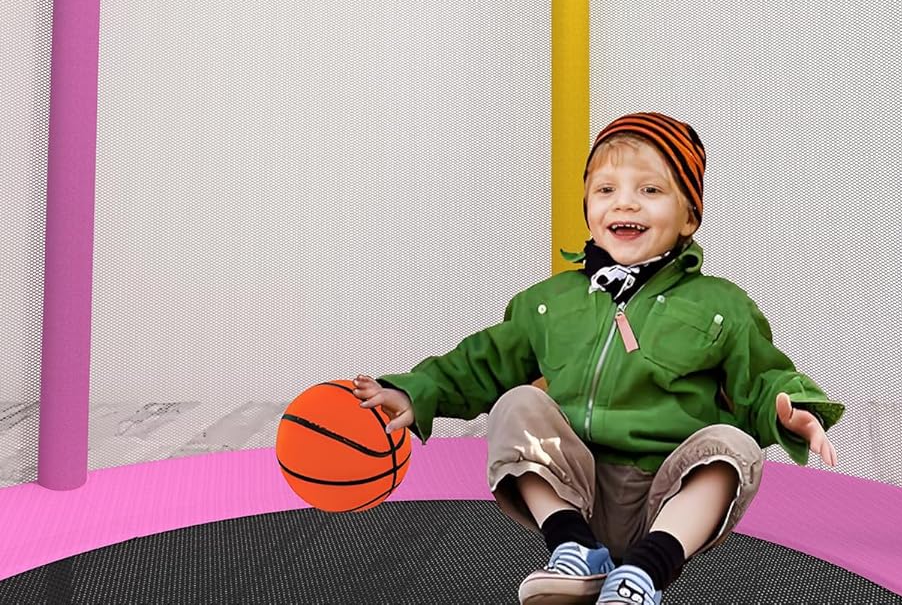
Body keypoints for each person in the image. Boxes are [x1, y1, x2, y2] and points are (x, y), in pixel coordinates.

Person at [354, 112, 842, 605]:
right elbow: (481, 364)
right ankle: (577, 549)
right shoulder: (549, 303)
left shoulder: (720, 306)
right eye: (606, 189)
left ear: (689, 217)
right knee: (516, 403)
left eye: (650, 190)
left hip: (667, 495)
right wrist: (416, 392)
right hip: (576, 485)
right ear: (587, 207)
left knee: (735, 446)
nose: (625, 202)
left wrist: (792, 410)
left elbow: (762, 379)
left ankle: (643, 573)